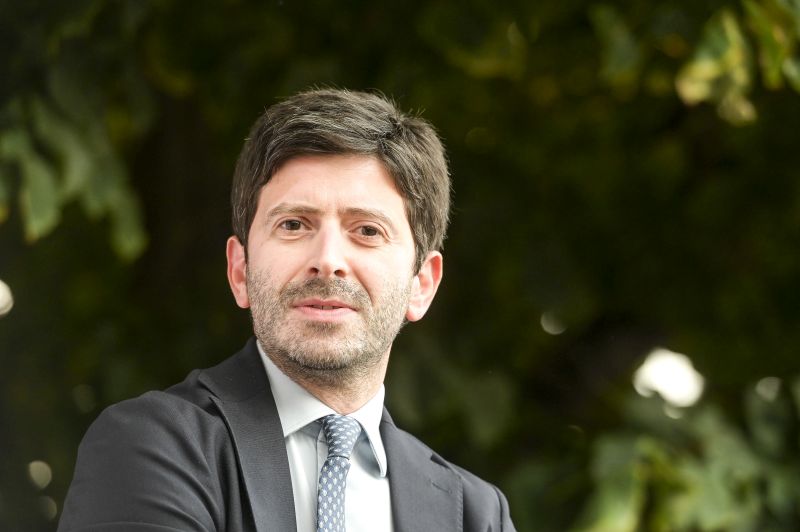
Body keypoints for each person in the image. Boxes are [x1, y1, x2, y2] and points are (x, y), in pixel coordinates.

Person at [58, 89, 515, 532]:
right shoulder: (151, 446)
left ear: (423, 284)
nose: (328, 259)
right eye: (294, 224)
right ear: (240, 271)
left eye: (367, 230)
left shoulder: (475, 515)